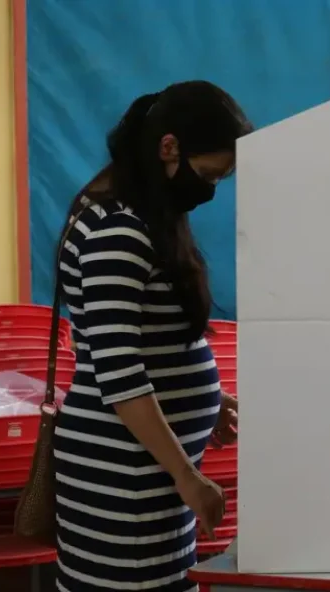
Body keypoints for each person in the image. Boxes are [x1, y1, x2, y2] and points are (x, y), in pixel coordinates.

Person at [52, 81, 253, 592]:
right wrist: (187, 475)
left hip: (147, 474)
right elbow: (119, 375)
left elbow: (150, 342)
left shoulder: (141, 216)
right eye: (208, 173)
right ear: (168, 147)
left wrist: (209, 398)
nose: (208, 189)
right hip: (124, 481)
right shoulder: (117, 232)